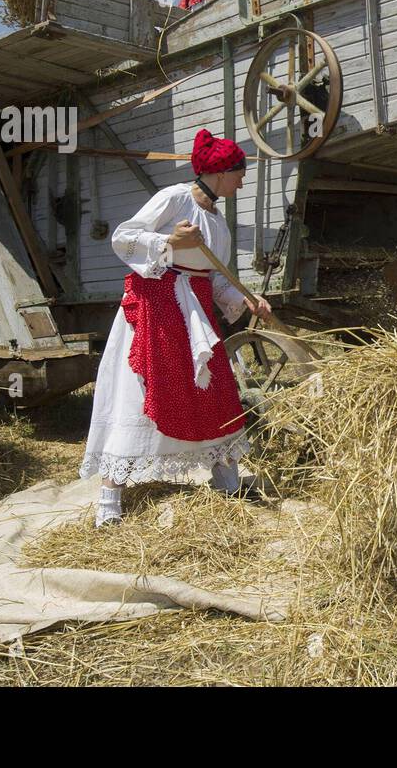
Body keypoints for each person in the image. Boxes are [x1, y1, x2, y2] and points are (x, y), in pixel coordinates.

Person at [81, 128, 272, 527]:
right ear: (220, 172)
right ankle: (109, 498)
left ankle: (227, 482)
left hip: (196, 310)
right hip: (157, 305)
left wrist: (246, 299)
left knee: (214, 387)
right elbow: (125, 238)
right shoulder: (174, 198)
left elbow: (217, 278)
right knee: (143, 389)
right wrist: (170, 239)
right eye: (239, 173)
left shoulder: (219, 222)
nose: (242, 180)